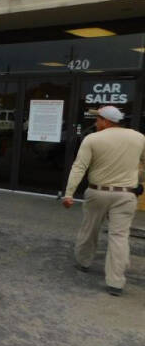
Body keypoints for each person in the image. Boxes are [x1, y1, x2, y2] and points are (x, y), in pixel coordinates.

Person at [62, 106, 145, 296]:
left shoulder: (92, 139)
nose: (95, 122)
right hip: (126, 195)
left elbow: (79, 167)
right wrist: (140, 181)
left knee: (90, 228)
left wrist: (69, 194)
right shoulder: (139, 137)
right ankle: (116, 282)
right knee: (119, 236)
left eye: (98, 119)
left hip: (98, 192)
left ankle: (83, 261)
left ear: (107, 121)